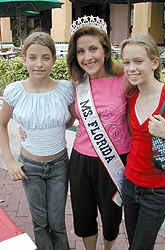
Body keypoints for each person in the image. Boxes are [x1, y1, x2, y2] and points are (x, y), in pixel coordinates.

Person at [0, 31, 75, 250]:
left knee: (58, 223)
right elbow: (1, 124)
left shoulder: (65, 89)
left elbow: (71, 118)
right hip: (29, 167)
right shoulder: (15, 91)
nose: (39, 64)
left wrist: (46, 125)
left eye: (45, 57)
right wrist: (10, 161)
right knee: (40, 223)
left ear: (53, 59)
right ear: (24, 59)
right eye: (32, 57)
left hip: (59, 165)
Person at [66, 16, 131, 250]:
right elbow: (67, 119)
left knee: (112, 217)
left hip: (116, 159)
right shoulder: (76, 82)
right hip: (81, 160)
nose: (87, 57)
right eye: (81, 51)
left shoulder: (125, 78)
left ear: (105, 48)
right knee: (83, 216)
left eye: (93, 48)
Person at [120, 33, 165, 250]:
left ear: (154, 62)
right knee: (134, 243)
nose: (132, 68)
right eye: (127, 62)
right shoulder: (131, 96)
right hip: (130, 184)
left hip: (157, 191)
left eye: (138, 61)